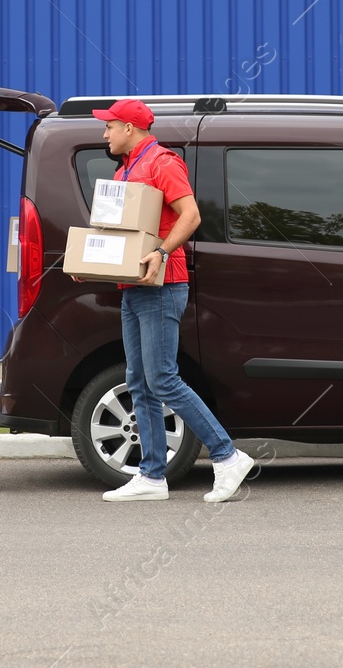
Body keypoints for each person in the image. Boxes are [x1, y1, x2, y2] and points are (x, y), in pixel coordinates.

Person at [89, 98, 256, 503]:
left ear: (130, 127)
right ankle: (151, 475)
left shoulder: (162, 162)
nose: (104, 133)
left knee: (162, 377)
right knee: (139, 380)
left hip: (162, 286)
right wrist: (94, 262)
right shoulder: (125, 168)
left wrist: (161, 252)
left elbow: (191, 216)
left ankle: (228, 456)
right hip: (134, 287)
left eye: (109, 126)